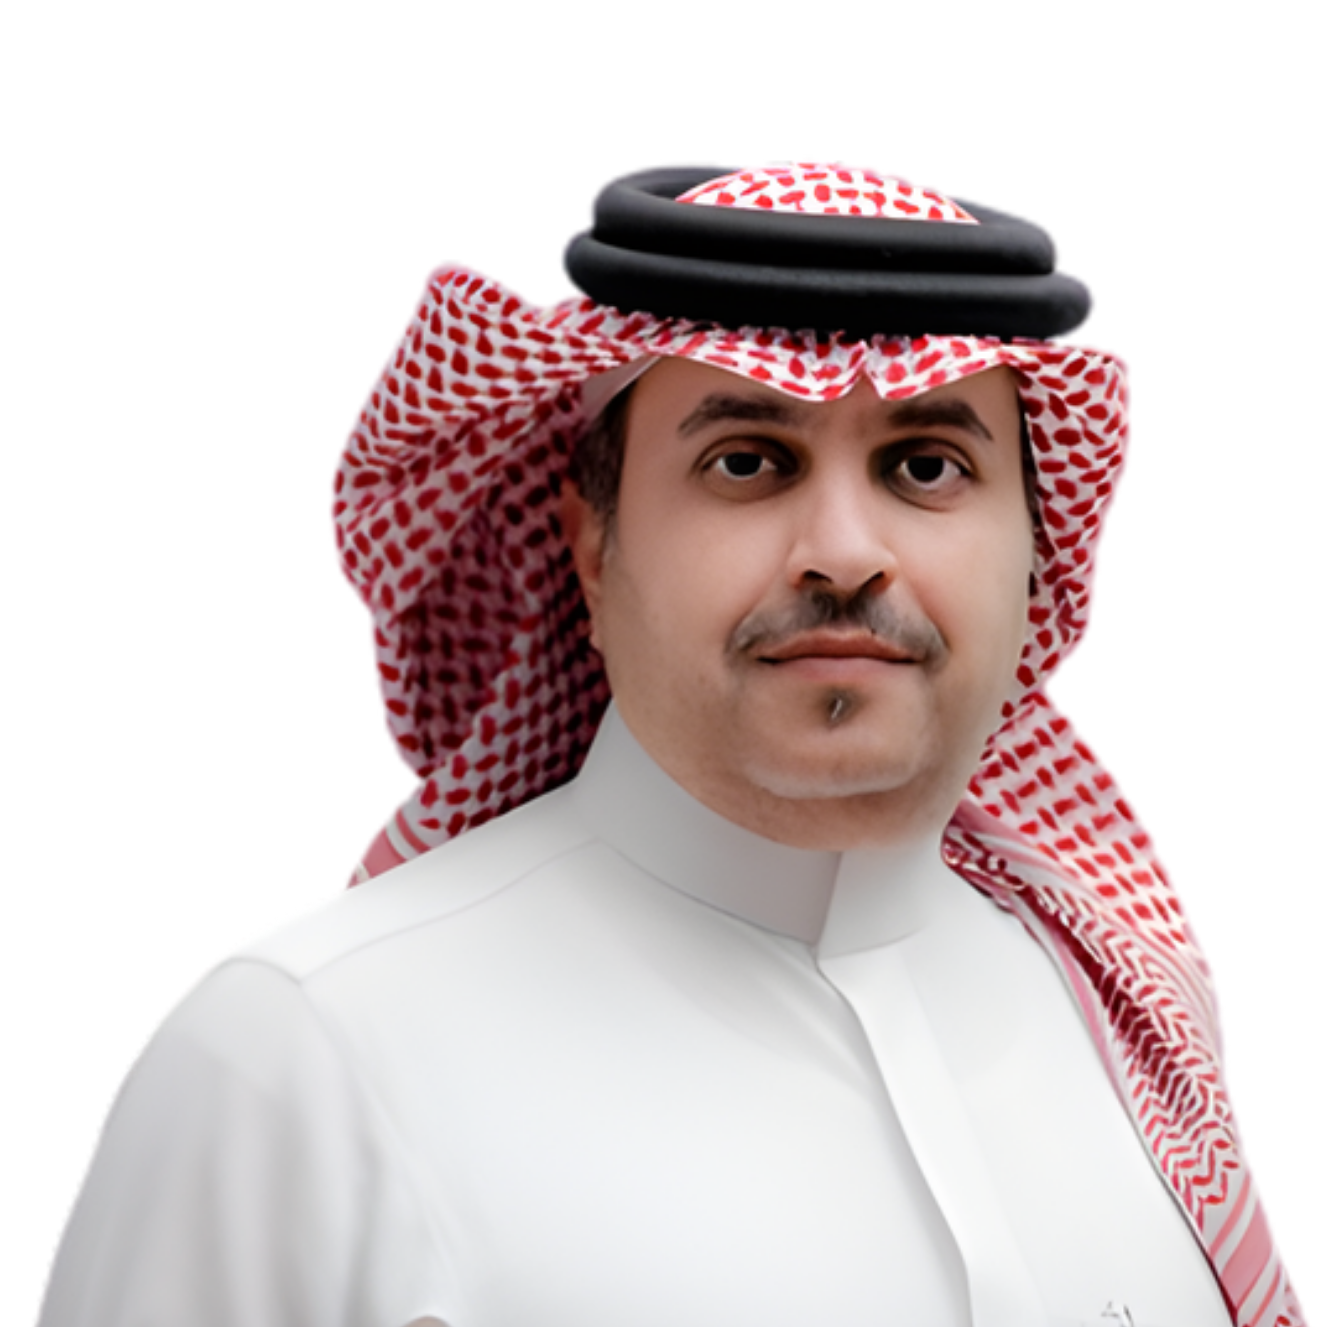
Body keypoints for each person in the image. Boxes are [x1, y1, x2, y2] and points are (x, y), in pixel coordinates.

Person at [41, 164, 1301, 1325]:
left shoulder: (1121, 1018)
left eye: (926, 466)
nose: (845, 552)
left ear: (1037, 553)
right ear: (591, 546)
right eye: (748, 461)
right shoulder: (303, 1065)